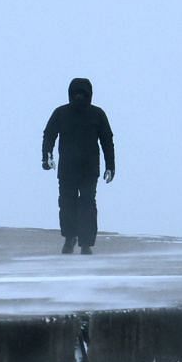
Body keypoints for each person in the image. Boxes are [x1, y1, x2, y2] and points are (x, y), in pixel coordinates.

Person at [41, 77, 115, 254]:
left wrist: (111, 166)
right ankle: (70, 237)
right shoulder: (61, 113)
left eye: (83, 94)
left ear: (89, 95)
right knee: (67, 204)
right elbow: (49, 135)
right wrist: (46, 157)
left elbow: (107, 141)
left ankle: (86, 243)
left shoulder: (97, 114)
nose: (79, 97)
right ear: (70, 94)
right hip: (67, 168)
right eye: (76, 94)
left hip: (89, 169)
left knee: (87, 204)